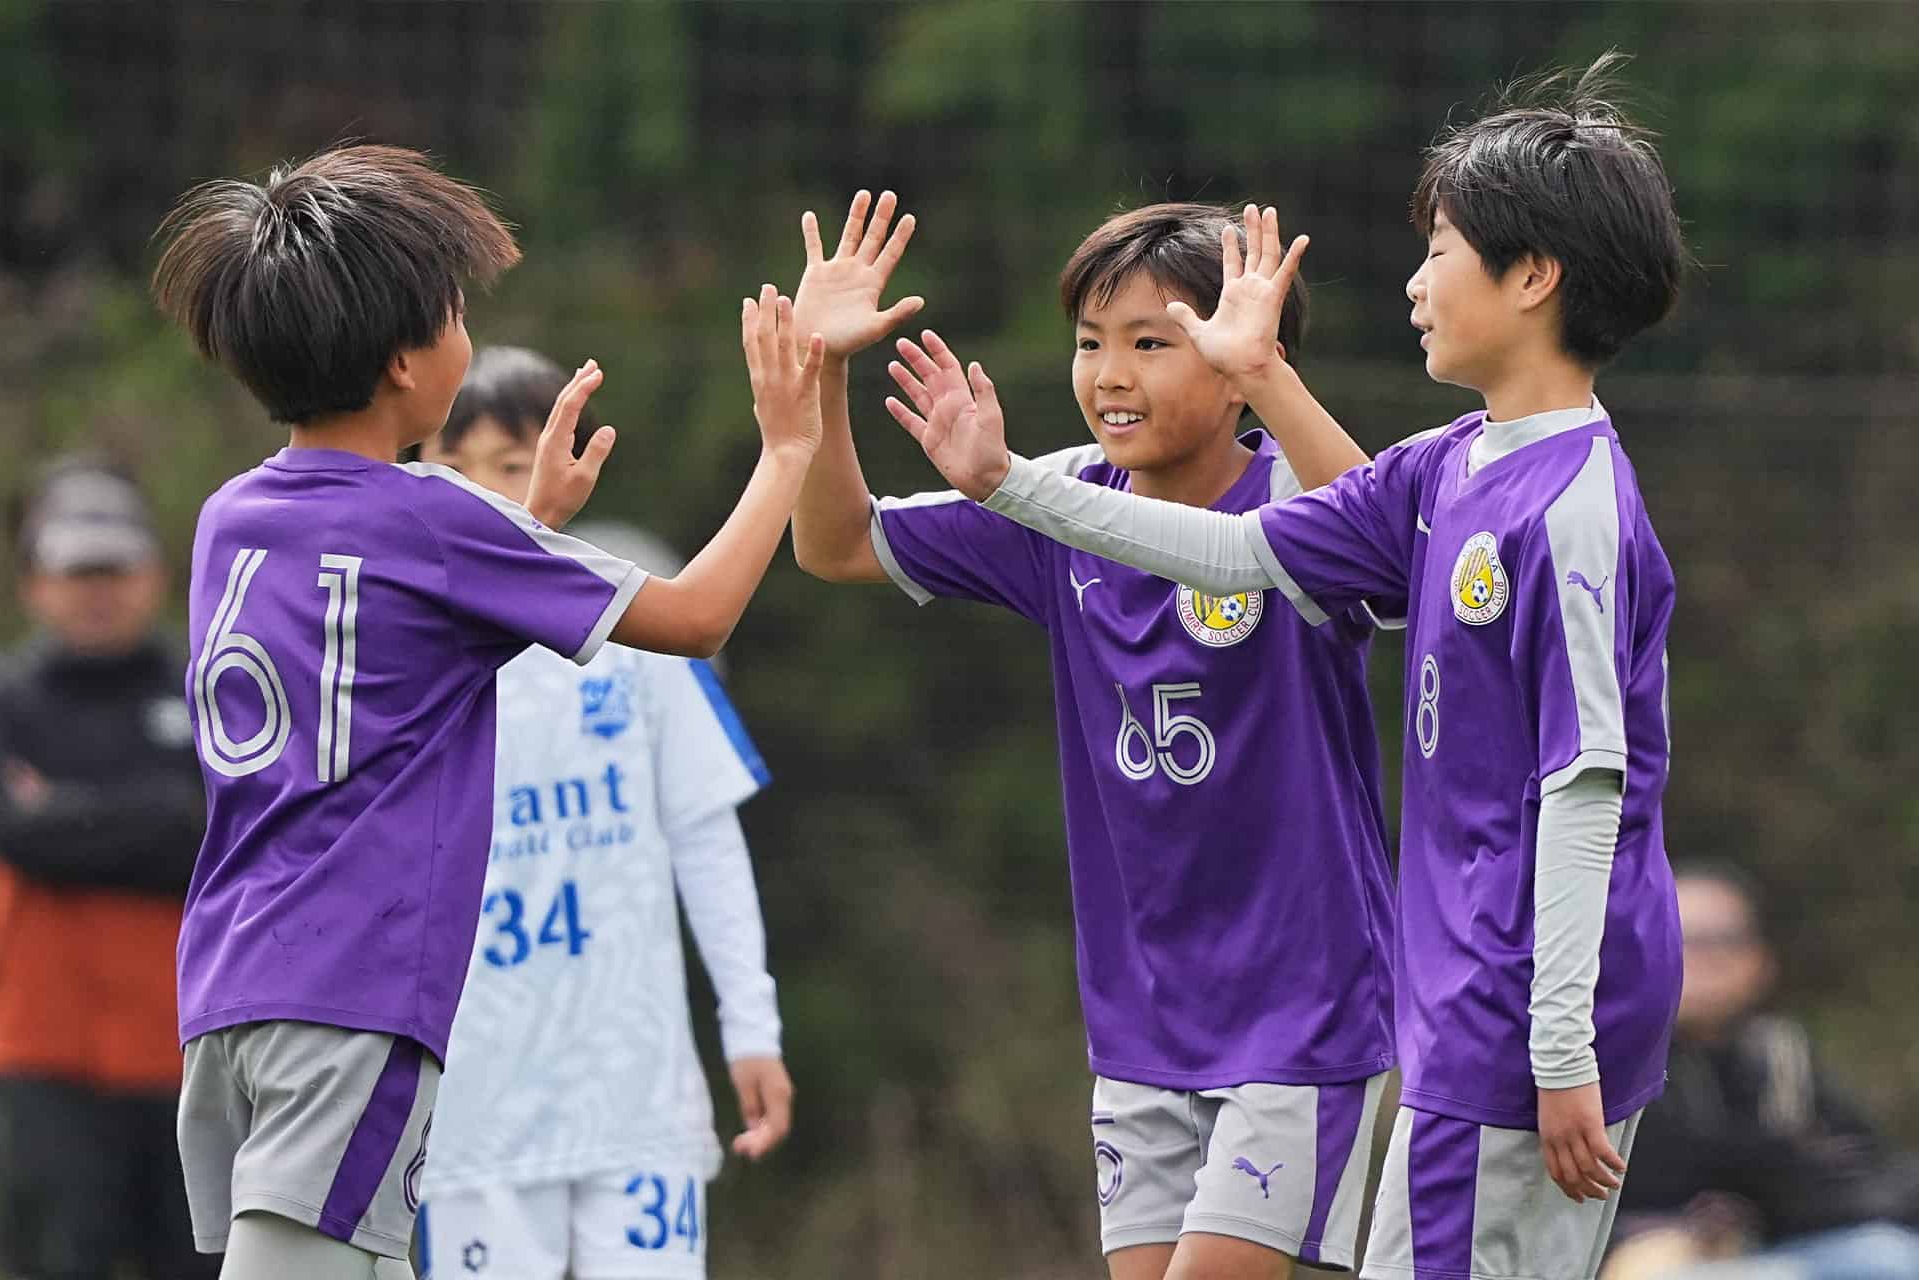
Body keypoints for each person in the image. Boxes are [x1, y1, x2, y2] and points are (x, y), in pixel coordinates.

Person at [883, 53, 1687, 1280]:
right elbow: (1238, 549)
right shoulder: (1456, 462)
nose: (1415, 282)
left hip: (1527, 1008)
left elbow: (1588, 784)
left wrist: (1560, 1044)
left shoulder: (1572, 504)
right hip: (1472, 998)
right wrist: (1007, 485)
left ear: (1532, 277)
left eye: (1441, 252)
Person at [148, 143, 823, 1279]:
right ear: (411, 363)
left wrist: (527, 533)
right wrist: (791, 446)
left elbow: (395, 656)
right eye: (457, 307)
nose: (469, 325)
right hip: (352, 1001)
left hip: (231, 989)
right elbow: (698, 617)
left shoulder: (235, 515)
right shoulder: (440, 526)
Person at [792, 191, 1397, 1279]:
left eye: (1151, 343)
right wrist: (825, 372)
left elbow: (1396, 558)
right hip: (1141, 1018)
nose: (1110, 373)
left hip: (1302, 1008)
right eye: (1090, 343)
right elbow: (835, 543)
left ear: (1234, 357)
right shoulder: (1059, 501)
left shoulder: (1298, 498)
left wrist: (1273, 375)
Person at [413, 347, 793, 1280]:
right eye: (453, 471)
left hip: (634, 1097)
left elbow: (706, 837)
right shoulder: (406, 650)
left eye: (511, 465)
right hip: (472, 1109)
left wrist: (751, 1026)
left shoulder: (639, 636)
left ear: (572, 459)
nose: (489, 497)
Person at [0, 460, 219, 1280]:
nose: (97, 591)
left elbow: (221, 835)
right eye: (75, 571)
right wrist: (159, 813)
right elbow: (17, 837)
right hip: (47, 1058)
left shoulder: (207, 690)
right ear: (33, 584)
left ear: (155, 573)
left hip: (193, 1057)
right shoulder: (9, 698)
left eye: (114, 569)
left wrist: (63, 811)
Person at [1601, 864, 1919, 1280]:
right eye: (1682, 936)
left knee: (1891, 1257)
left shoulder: (1782, 1056)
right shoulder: (1600, 1060)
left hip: (1781, 1249)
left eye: (1724, 940)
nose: (1705, 958)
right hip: (1647, 1257)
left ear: (1760, 960)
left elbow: (1868, 1168)